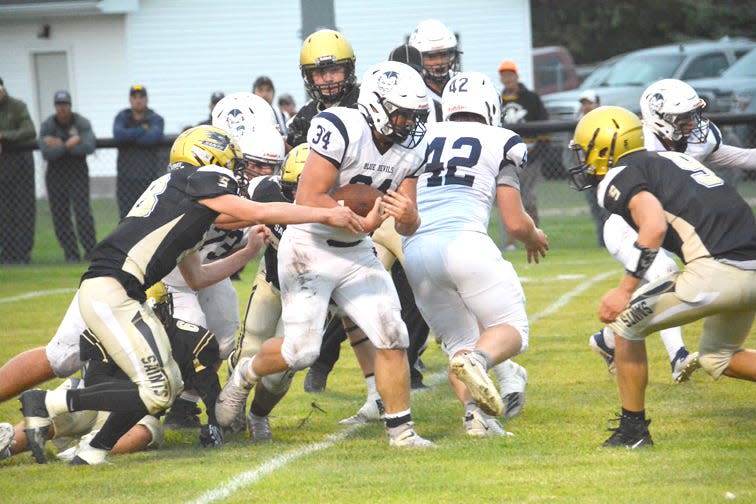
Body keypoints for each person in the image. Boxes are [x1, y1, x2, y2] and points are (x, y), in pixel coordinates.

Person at [18, 125, 361, 465]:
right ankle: (49, 404)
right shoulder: (197, 180)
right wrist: (324, 212)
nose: (238, 175)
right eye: (235, 165)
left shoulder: (183, 205)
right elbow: (256, 211)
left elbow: (197, 276)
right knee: (154, 386)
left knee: (167, 382)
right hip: (113, 289)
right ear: (207, 159)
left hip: (123, 292)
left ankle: (92, 452)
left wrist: (247, 251)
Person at [216, 60, 435, 448]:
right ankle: (243, 375)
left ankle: (401, 432)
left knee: (392, 333)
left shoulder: (411, 149)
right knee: (300, 352)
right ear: (377, 106)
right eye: (402, 114)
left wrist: (409, 215)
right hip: (309, 246)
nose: (409, 124)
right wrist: (355, 213)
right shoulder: (339, 127)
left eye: (413, 115)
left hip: (356, 251)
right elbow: (308, 198)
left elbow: (406, 224)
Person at [567, 105, 756, 448]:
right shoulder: (675, 160)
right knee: (719, 357)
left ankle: (633, 432)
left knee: (625, 323)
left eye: (584, 149)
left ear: (604, 146)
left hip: (717, 270)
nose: (582, 159)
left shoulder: (620, 173)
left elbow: (652, 225)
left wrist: (625, 290)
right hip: (752, 267)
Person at [403, 71, 548, 436]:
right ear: (490, 106)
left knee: (458, 343)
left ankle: (476, 421)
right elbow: (514, 222)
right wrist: (534, 235)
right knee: (513, 329)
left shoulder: (420, 137)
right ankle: (479, 362)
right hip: (465, 242)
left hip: (416, 250)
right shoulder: (502, 139)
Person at [588, 79, 756, 382]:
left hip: (676, 227)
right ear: (657, 118)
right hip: (629, 226)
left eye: (694, 114)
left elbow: (742, 158)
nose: (692, 123)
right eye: (683, 118)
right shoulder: (637, 142)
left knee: (666, 286)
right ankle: (678, 356)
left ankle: (606, 341)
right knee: (663, 271)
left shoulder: (699, 139)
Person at [2, 283, 225, 463]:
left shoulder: (189, 339)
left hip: (137, 412)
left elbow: (208, 385)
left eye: (154, 313)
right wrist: (150, 390)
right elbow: (94, 383)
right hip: (92, 401)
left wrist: (215, 423)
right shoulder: (104, 334)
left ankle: (86, 449)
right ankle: (7, 445)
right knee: (49, 421)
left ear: (165, 310)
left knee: (142, 432)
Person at [38, 90, 97, 263]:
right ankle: (71, 253)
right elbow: (46, 153)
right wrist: (68, 144)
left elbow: (88, 147)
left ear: (70, 106)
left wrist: (58, 145)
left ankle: (90, 251)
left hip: (77, 173)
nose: (62, 109)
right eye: (59, 105)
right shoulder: (48, 124)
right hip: (55, 175)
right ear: (55, 107)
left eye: (65, 105)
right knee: (60, 215)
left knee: (83, 213)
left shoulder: (82, 122)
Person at [498, 59, 549, 250]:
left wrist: (543, 149)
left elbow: (543, 122)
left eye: (510, 75)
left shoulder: (530, 97)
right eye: (504, 75)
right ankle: (511, 242)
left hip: (531, 155)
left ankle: (534, 235)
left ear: (517, 76)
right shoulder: (499, 98)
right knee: (508, 199)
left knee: (528, 198)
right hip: (508, 159)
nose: (507, 78)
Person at [113, 84, 166, 219]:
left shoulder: (156, 118)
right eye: (135, 97)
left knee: (149, 218)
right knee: (126, 219)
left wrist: (129, 137)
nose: (138, 100)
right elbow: (119, 136)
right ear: (130, 100)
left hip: (149, 179)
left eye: (141, 97)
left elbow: (152, 138)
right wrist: (142, 129)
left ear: (147, 100)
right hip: (126, 180)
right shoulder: (122, 117)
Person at [0, 76, 36, 264]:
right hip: (2, 170)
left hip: (20, 168)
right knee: (4, 213)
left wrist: (4, 136)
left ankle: (23, 255)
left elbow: (29, 130)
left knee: (23, 212)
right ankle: (7, 254)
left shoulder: (17, 106)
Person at [575, 89, 610, 247]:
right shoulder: (578, 125)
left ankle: (611, 241)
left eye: (589, 103)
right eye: (584, 104)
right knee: (596, 210)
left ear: (598, 104)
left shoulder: (607, 122)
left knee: (608, 208)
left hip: (605, 172)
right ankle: (602, 243)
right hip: (587, 172)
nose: (586, 107)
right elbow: (570, 151)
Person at [408, 18, 460, 122]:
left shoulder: (464, 83)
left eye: (444, 54)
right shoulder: (413, 91)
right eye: (432, 57)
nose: (439, 62)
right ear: (419, 58)